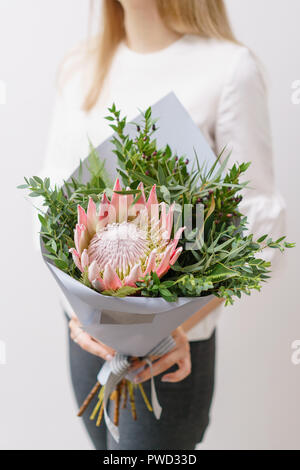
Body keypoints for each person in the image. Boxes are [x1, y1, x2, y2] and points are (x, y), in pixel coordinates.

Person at [39, 0, 285, 450]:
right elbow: (50, 205)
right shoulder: (80, 65)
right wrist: (81, 317)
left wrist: (173, 324)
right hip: (85, 340)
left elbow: (260, 223)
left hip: (170, 350)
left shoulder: (228, 68)